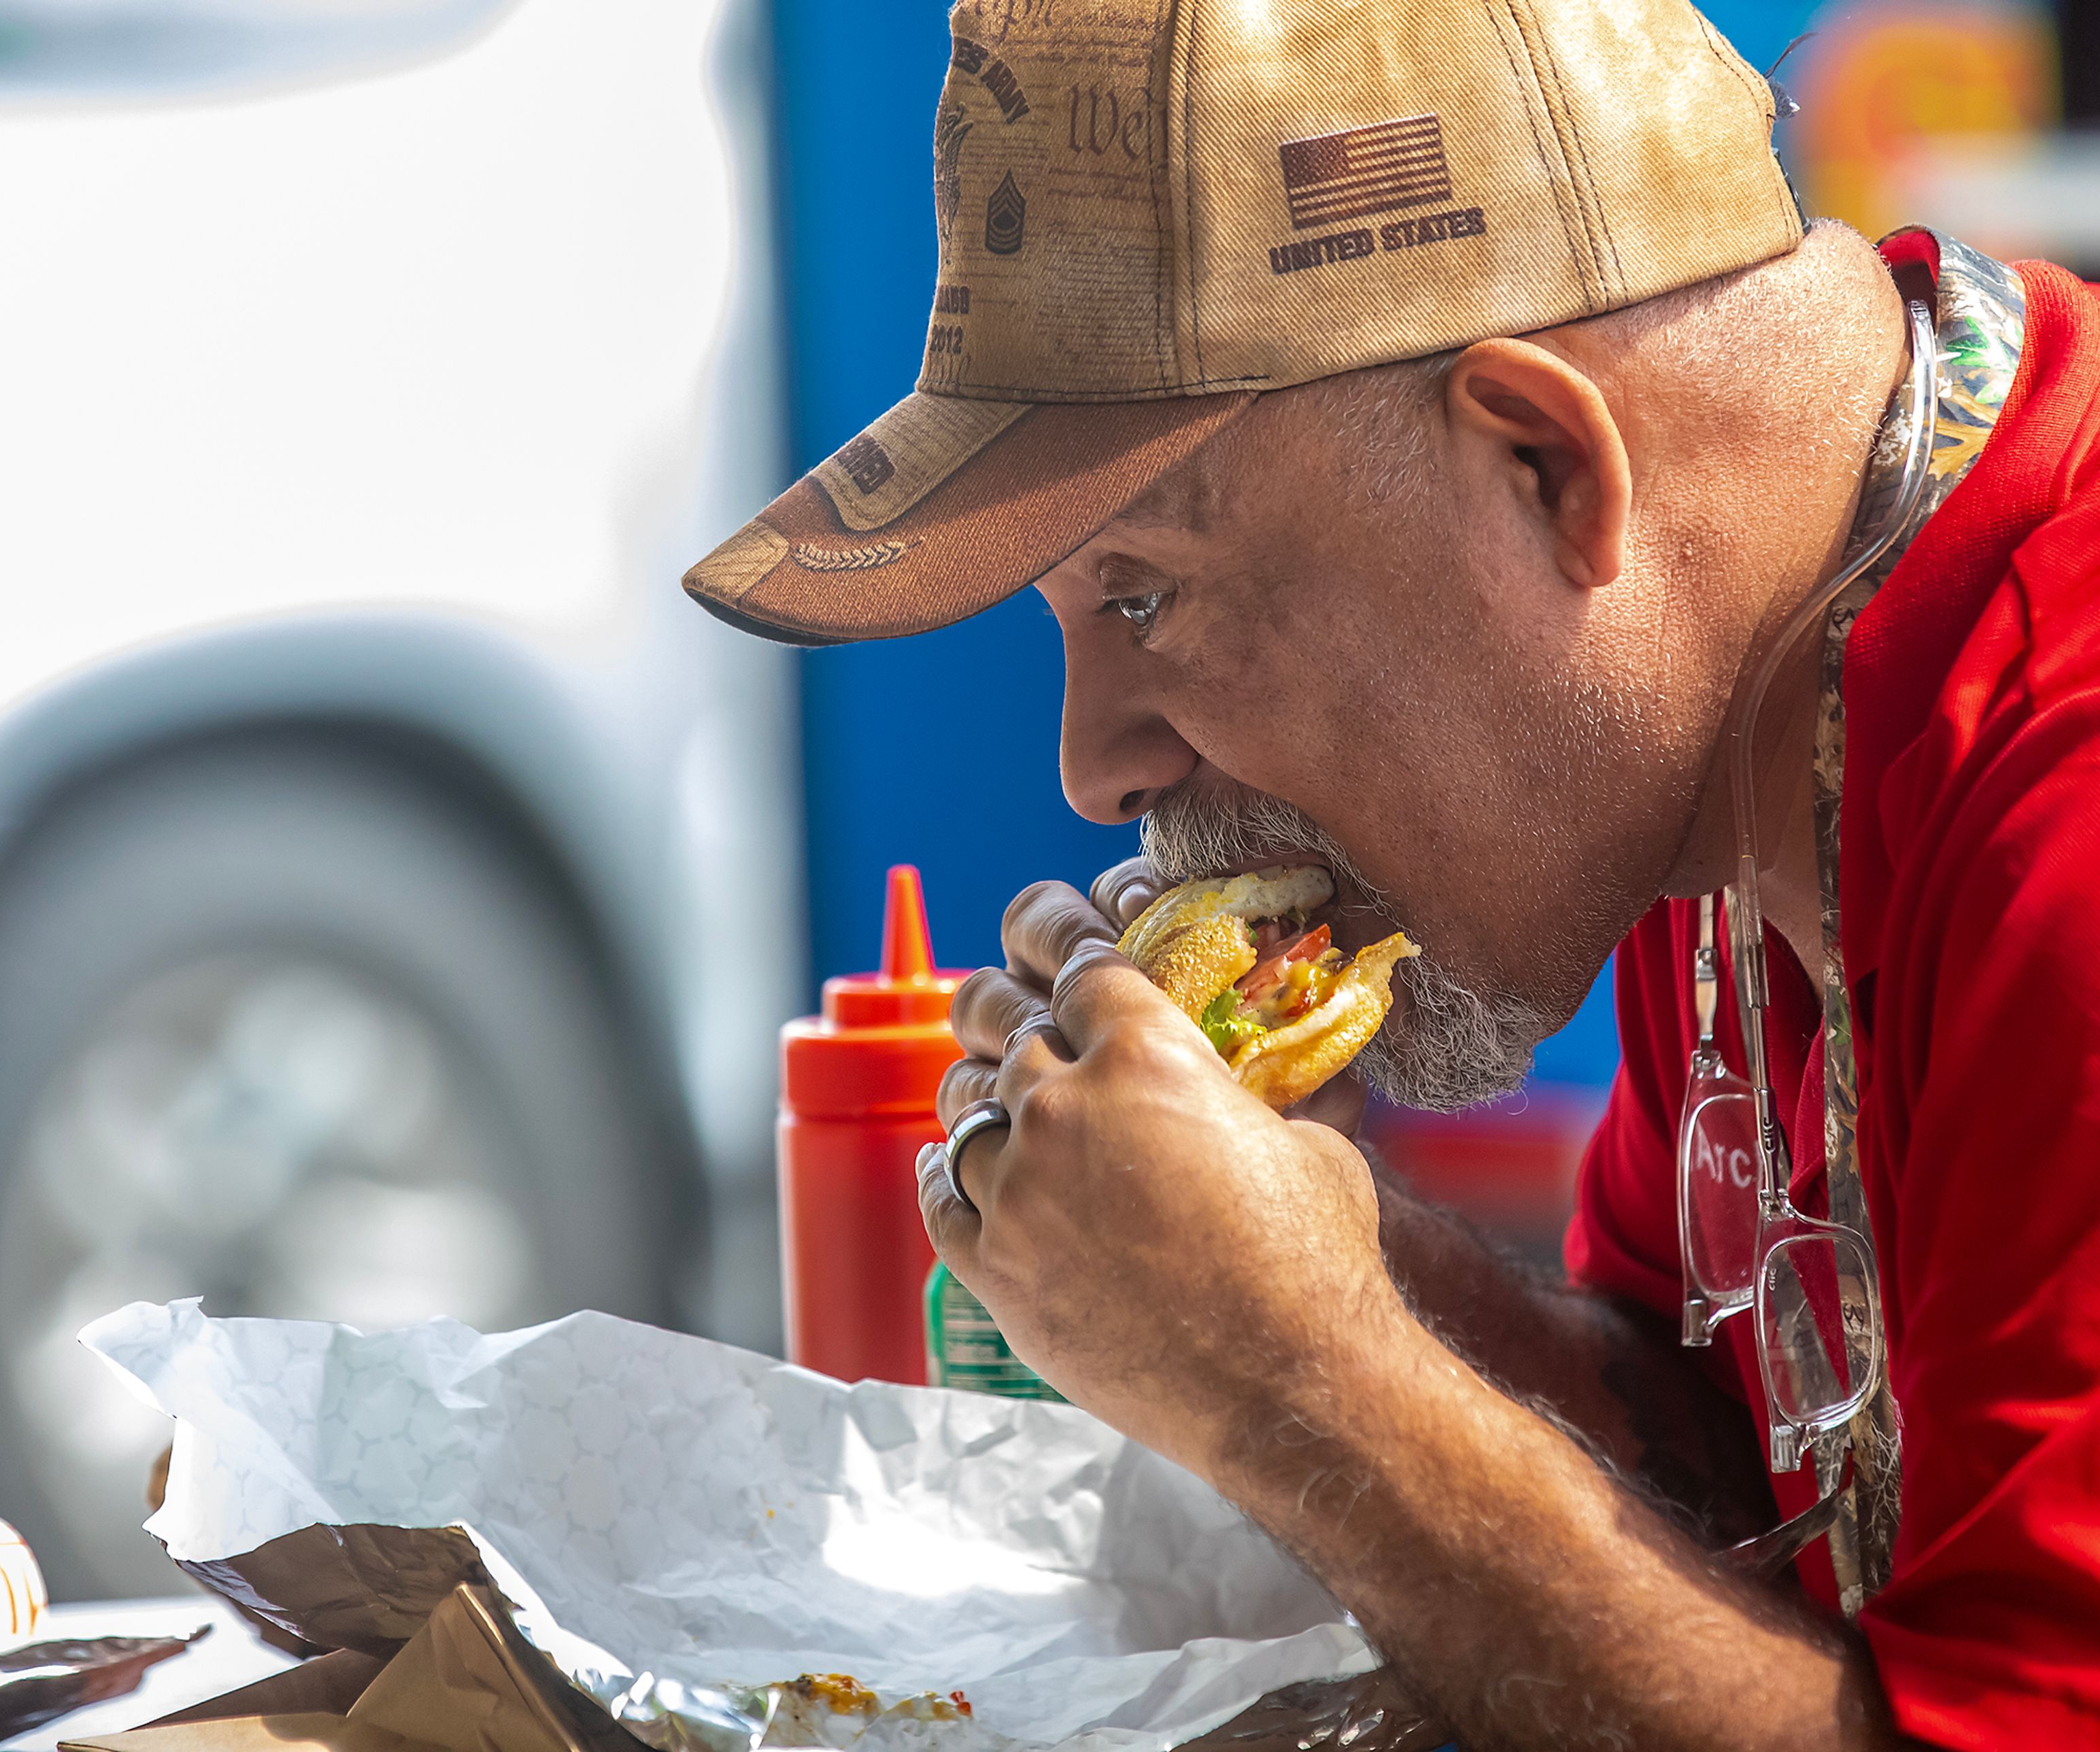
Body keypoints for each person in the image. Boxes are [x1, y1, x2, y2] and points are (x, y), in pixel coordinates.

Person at [683, 0, 2100, 1746]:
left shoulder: (2068, 825)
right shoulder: (1715, 699)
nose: (1094, 764)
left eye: (1144, 596)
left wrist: (1299, 1382)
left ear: (1544, 464)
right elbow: (1743, 1477)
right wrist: (1328, 1258)